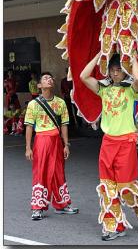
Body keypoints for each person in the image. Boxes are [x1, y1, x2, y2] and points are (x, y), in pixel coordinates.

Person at [80, 53, 138, 241]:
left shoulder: (131, 90)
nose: (115, 74)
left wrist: (133, 57)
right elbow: (83, 76)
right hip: (108, 142)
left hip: (126, 143)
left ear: (124, 71)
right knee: (107, 187)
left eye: (118, 70)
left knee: (125, 188)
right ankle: (115, 225)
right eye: (112, 70)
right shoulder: (104, 89)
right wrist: (99, 54)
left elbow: (137, 78)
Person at [24, 72, 79, 221]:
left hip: (56, 141)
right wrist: (28, 147)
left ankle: (62, 205)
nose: (49, 80)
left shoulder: (60, 102)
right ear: (40, 85)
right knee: (41, 172)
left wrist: (66, 144)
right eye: (45, 78)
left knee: (58, 172)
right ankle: (37, 208)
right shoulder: (33, 104)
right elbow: (29, 127)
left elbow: (64, 125)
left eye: (51, 78)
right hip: (41, 140)